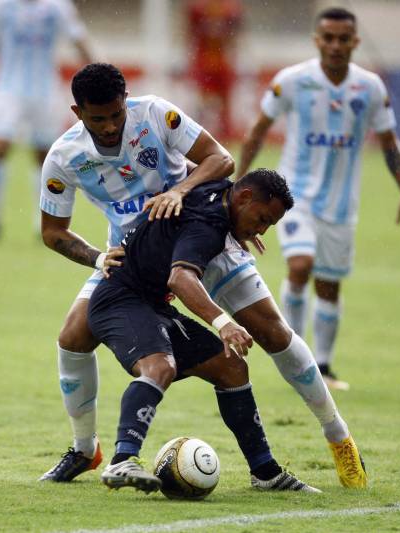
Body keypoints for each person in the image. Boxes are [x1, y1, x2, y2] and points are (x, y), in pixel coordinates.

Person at [38, 63, 366, 489]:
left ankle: (337, 435)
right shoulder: (65, 157)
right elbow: (53, 233)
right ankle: (85, 449)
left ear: (125, 102)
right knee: (72, 337)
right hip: (137, 257)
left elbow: (221, 158)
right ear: (77, 112)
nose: (110, 125)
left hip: (203, 233)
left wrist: (181, 192)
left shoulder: (155, 114)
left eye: (116, 114)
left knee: (273, 333)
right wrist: (98, 257)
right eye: (98, 118)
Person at [90, 170, 323, 493]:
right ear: (243, 198)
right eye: (262, 218)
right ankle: (122, 460)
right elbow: (180, 279)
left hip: (152, 304)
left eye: (269, 224)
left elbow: (209, 161)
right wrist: (224, 323)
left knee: (232, 367)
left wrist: (243, 227)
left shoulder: (215, 186)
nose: (262, 230)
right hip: (120, 300)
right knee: (161, 366)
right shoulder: (209, 226)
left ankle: (265, 473)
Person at [237, 7, 400, 391]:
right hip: (294, 197)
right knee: (300, 266)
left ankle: (323, 365)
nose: (335, 45)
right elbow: (256, 131)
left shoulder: (370, 88)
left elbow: (389, 142)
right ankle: (293, 355)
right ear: (317, 40)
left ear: (355, 42)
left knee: (329, 288)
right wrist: (236, 185)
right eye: (328, 38)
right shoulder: (293, 81)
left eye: (343, 39)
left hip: (341, 205)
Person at [0, 0, 94, 243]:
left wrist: (102, 71)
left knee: (44, 156)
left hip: (44, 90)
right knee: (0, 147)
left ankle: (42, 222)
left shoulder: (57, 7)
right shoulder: (2, 6)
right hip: (7, 88)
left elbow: (79, 39)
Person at [185, 0, 243, 140]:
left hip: (223, 62)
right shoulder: (197, 8)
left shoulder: (231, 8)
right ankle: (196, 136)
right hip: (203, 62)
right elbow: (189, 33)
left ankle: (225, 138)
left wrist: (236, 54)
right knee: (202, 102)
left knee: (225, 105)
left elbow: (236, 35)